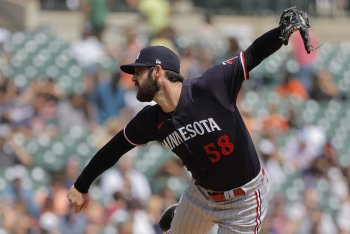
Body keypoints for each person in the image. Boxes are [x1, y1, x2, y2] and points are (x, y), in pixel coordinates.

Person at [67, 7, 311, 233]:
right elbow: (114, 148)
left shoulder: (210, 86)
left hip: (243, 201)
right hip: (201, 196)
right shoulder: (150, 120)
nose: (133, 79)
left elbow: (253, 54)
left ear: (158, 71)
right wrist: (81, 185)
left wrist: (281, 33)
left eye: (138, 71)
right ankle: (181, 216)